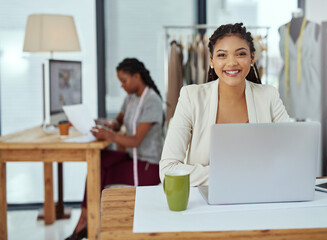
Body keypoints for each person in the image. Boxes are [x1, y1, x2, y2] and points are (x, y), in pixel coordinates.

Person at [159, 23, 290, 187]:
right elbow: (168, 170)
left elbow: (290, 153)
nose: (232, 62)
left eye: (240, 54)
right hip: (208, 199)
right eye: (222, 55)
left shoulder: (269, 96)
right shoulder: (191, 97)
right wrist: (233, 175)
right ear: (211, 61)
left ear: (252, 58)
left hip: (258, 192)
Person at [66, 58, 164, 240]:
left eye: (124, 81)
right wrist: (106, 124)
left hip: (148, 166)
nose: (122, 85)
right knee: (98, 160)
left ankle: (87, 221)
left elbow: (135, 141)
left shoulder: (152, 101)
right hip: (132, 157)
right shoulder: (130, 99)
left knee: (100, 173)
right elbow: (118, 123)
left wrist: (109, 136)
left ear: (137, 76)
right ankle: (87, 218)